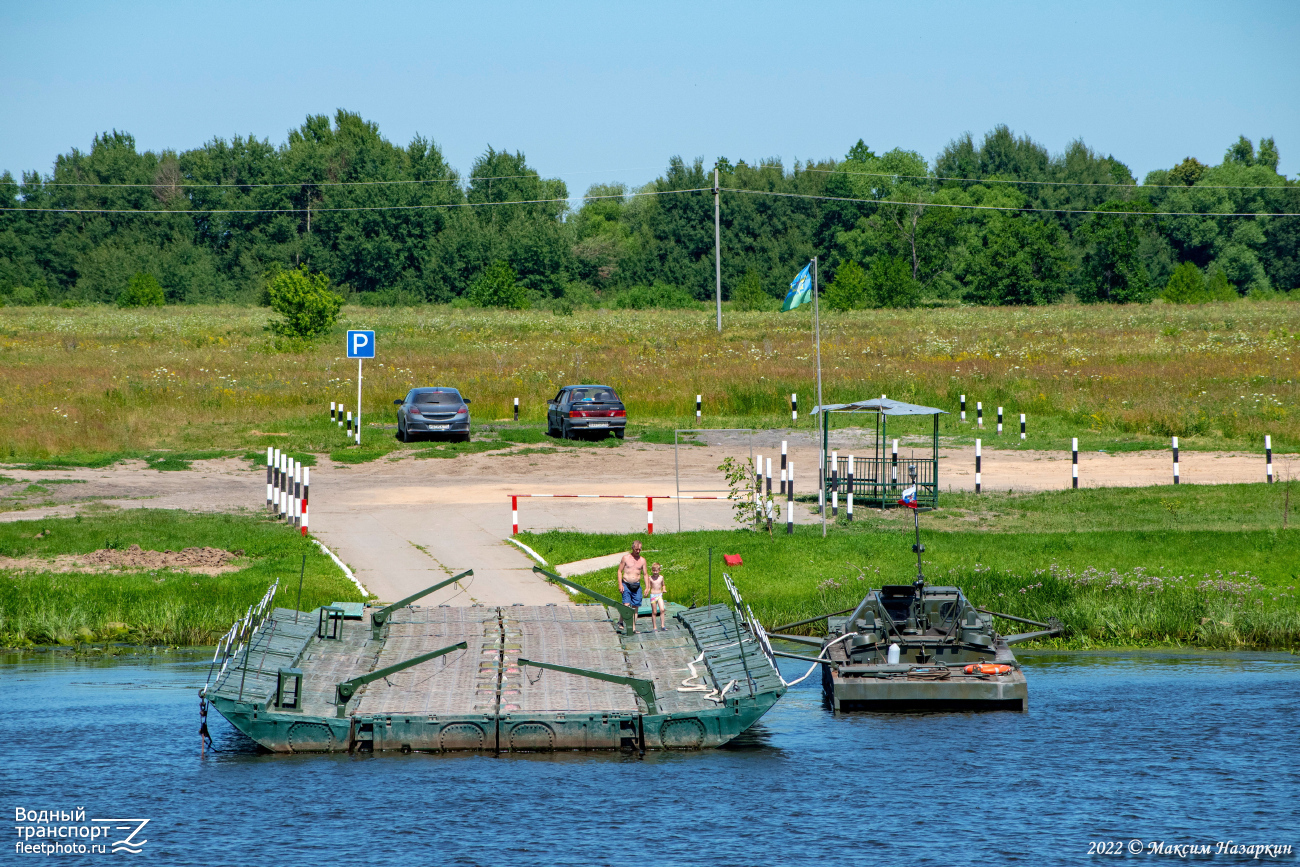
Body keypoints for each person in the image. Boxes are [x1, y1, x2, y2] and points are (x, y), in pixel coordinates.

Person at [617, 539, 648, 633]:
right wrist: (620, 584)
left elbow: (645, 574)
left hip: (637, 585)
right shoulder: (625, 558)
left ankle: (633, 628)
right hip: (626, 583)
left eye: (639, 550)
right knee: (626, 605)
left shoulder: (642, 560)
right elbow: (619, 571)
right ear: (632, 548)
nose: (638, 551)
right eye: (636, 549)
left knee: (635, 607)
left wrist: (647, 587)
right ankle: (621, 622)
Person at [646, 563, 667, 631]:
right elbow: (648, 587)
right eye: (654, 570)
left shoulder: (661, 577)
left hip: (659, 595)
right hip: (653, 595)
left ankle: (662, 625)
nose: (655, 572)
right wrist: (646, 592)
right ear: (652, 571)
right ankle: (654, 626)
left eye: (656, 570)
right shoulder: (650, 578)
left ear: (659, 570)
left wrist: (664, 589)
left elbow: (663, 585)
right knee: (654, 612)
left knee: (662, 609)